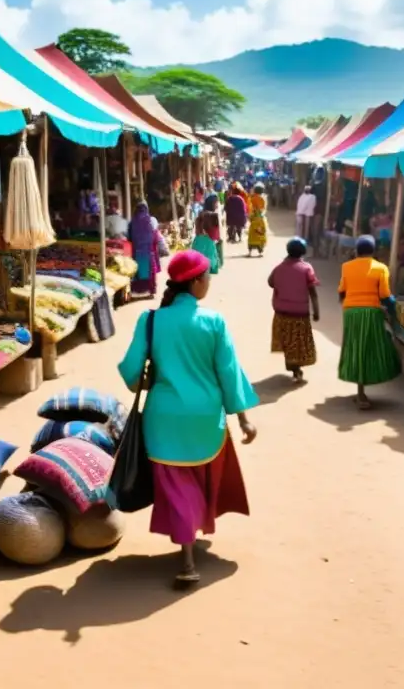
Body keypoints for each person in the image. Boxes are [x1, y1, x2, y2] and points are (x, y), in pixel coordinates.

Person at [118, 250, 259, 586]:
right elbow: (229, 373)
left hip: (163, 418)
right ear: (196, 282)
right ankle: (187, 562)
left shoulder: (150, 320)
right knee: (198, 479)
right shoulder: (214, 322)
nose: (208, 282)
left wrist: (147, 379)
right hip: (206, 418)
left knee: (177, 486)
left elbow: (130, 371)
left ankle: (187, 552)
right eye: (207, 277)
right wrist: (243, 420)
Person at [338, 236, 401, 409]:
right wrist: (394, 310)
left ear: (356, 251)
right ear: (374, 251)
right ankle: (361, 394)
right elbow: (385, 295)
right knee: (369, 349)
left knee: (355, 348)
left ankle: (360, 390)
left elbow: (342, 291)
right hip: (371, 312)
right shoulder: (381, 268)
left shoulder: (346, 267)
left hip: (351, 312)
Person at [268, 238, 320, 382]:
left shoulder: (279, 268)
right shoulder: (306, 268)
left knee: (287, 341)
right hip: (300, 314)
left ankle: (293, 367)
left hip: (282, 313)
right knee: (298, 343)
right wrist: (316, 311)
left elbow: (270, 282)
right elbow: (313, 293)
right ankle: (296, 368)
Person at [128, 202, 162, 297]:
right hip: (148, 251)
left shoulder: (132, 222)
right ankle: (151, 291)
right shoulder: (150, 221)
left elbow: (130, 237)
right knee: (150, 270)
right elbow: (155, 236)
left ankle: (136, 290)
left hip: (137, 252)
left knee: (137, 269)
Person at [247, 183, 268, 256]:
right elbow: (263, 209)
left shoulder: (251, 198)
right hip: (260, 220)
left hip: (253, 220)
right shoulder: (262, 199)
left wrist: (250, 217)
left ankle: (250, 252)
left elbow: (249, 209)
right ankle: (260, 252)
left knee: (252, 236)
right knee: (260, 235)